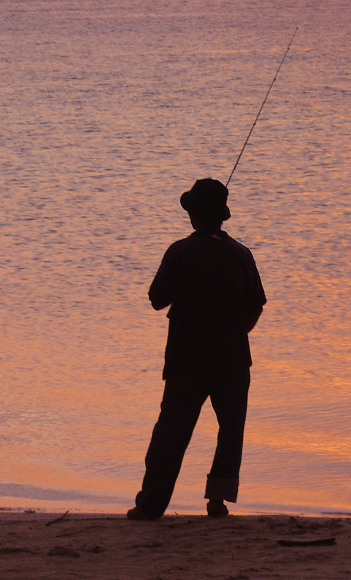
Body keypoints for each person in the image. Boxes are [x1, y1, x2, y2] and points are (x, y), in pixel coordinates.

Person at [127, 178, 266, 520]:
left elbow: (157, 300)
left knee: (171, 431)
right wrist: (238, 331)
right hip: (233, 358)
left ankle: (152, 505)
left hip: (187, 358)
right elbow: (256, 305)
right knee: (231, 430)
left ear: (193, 215)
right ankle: (217, 502)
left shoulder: (180, 251)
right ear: (222, 215)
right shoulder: (242, 254)